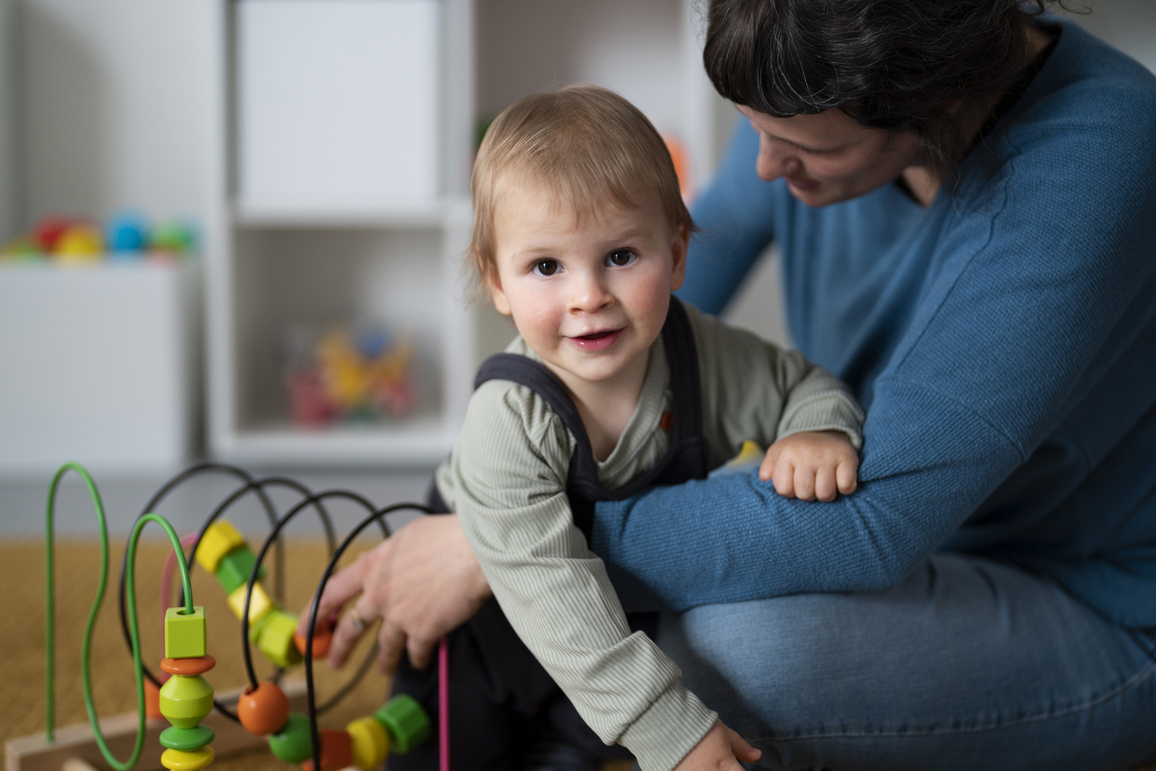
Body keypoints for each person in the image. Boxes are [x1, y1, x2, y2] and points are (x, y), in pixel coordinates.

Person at [307, 2, 1156, 769]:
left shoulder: (1100, 159)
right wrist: (515, 474)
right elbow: (661, 289)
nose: (762, 168)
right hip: (909, 544)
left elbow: (874, 525)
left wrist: (501, 543)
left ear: (930, 102)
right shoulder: (812, 105)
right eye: (754, 129)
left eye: (803, 146)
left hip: (1090, 600)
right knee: (670, 604)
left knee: (725, 645)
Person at [309, 84, 864, 771]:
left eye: (621, 256)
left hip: (618, 625)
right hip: (483, 629)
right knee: (452, 747)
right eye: (546, 266)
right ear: (499, 284)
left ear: (678, 254)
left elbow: (802, 387)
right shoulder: (508, 418)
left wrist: (818, 430)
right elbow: (553, 592)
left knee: (575, 746)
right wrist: (670, 728)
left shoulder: (702, 356)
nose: (588, 296)